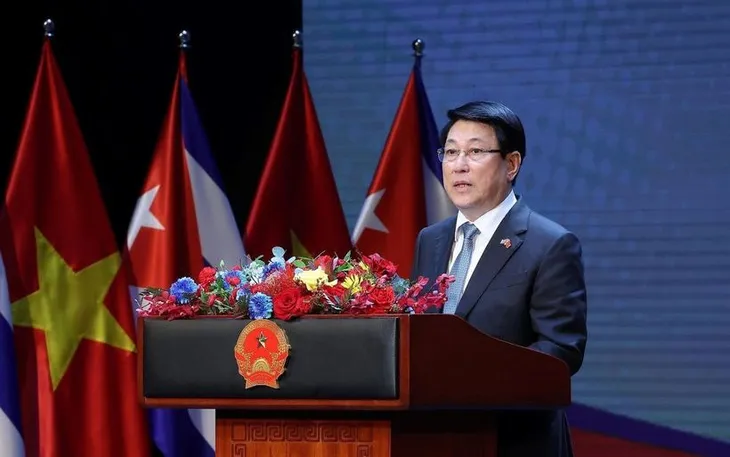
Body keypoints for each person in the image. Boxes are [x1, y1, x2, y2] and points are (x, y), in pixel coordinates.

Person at [410, 100, 588, 457]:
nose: (459, 165)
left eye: (475, 151)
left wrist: (472, 384)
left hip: (515, 439)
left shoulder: (550, 244)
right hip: (435, 435)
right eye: (451, 152)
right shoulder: (431, 239)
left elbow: (561, 350)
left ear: (512, 164)